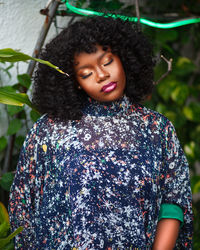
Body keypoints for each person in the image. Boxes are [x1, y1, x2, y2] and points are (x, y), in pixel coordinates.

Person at [9, 15, 193, 249]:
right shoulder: (49, 131)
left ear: (123, 57)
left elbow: (173, 202)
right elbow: (23, 206)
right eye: (86, 73)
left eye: (107, 62)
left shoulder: (157, 129)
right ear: (75, 82)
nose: (102, 75)